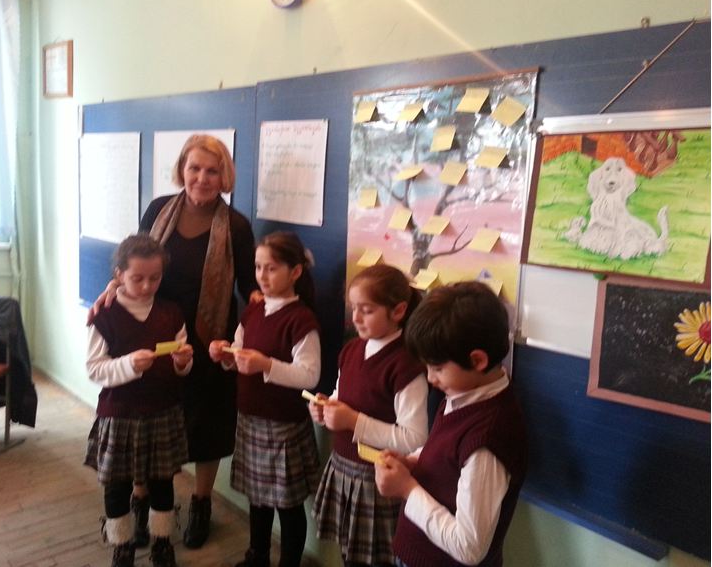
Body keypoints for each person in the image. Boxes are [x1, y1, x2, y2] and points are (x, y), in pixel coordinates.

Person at [90, 134, 257, 549]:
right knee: (148, 417)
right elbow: (133, 258)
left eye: (212, 170)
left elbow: (249, 286)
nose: (202, 177)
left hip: (208, 336)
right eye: (194, 167)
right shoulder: (158, 209)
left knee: (207, 423)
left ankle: (200, 504)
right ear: (182, 169)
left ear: (224, 175)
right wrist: (112, 286)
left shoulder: (236, 226)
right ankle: (141, 500)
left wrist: (268, 311)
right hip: (155, 329)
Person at [374, 282, 528, 567]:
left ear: (477, 360)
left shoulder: (488, 439)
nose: (430, 378)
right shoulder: (463, 393)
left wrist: (407, 489)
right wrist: (413, 460)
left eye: (437, 368)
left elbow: (469, 547)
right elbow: (447, 451)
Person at [209, 231, 321, 567]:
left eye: (271, 268)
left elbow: (309, 376)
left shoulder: (301, 320)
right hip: (250, 417)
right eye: (258, 267)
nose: (262, 275)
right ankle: (257, 555)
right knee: (258, 497)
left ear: (295, 272)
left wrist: (266, 365)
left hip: (283, 424)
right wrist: (226, 355)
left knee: (287, 505)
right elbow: (240, 352)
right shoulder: (254, 310)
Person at [84, 233, 194, 567]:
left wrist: (183, 362)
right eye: (137, 278)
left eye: (155, 278)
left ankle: (162, 542)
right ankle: (122, 544)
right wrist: (130, 364)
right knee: (117, 485)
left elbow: (182, 364)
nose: (147, 286)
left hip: (162, 410)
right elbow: (95, 369)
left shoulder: (171, 313)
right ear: (119, 275)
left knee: (162, 482)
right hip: (120, 413)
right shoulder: (104, 315)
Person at [309, 264, 429, 567]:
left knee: (375, 560)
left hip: (376, 481)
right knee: (349, 552)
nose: (356, 318)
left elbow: (414, 438)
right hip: (343, 467)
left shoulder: (405, 365)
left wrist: (352, 421)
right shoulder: (351, 349)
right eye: (354, 308)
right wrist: (326, 406)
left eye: (367, 310)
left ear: (398, 311)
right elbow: (342, 394)